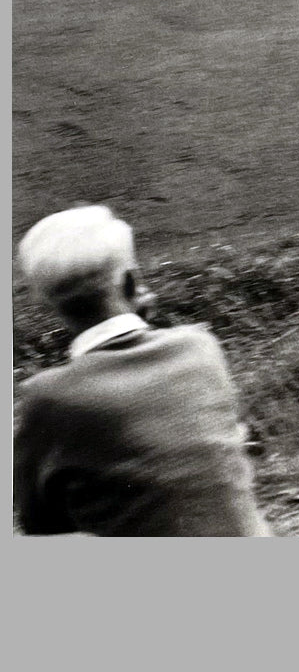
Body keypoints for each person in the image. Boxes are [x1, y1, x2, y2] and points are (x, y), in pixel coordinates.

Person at [14, 205, 271, 536]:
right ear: (132, 282)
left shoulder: (47, 398)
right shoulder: (200, 347)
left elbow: (39, 522)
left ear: (47, 304)